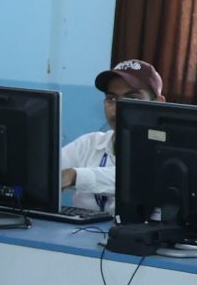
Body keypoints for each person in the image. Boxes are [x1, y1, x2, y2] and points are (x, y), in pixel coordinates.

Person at [60, 61, 163, 214]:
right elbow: (46, 171)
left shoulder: (168, 151)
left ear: (159, 104)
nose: (117, 108)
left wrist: (75, 176)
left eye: (132, 99)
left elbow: (138, 178)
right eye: (111, 99)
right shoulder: (89, 143)